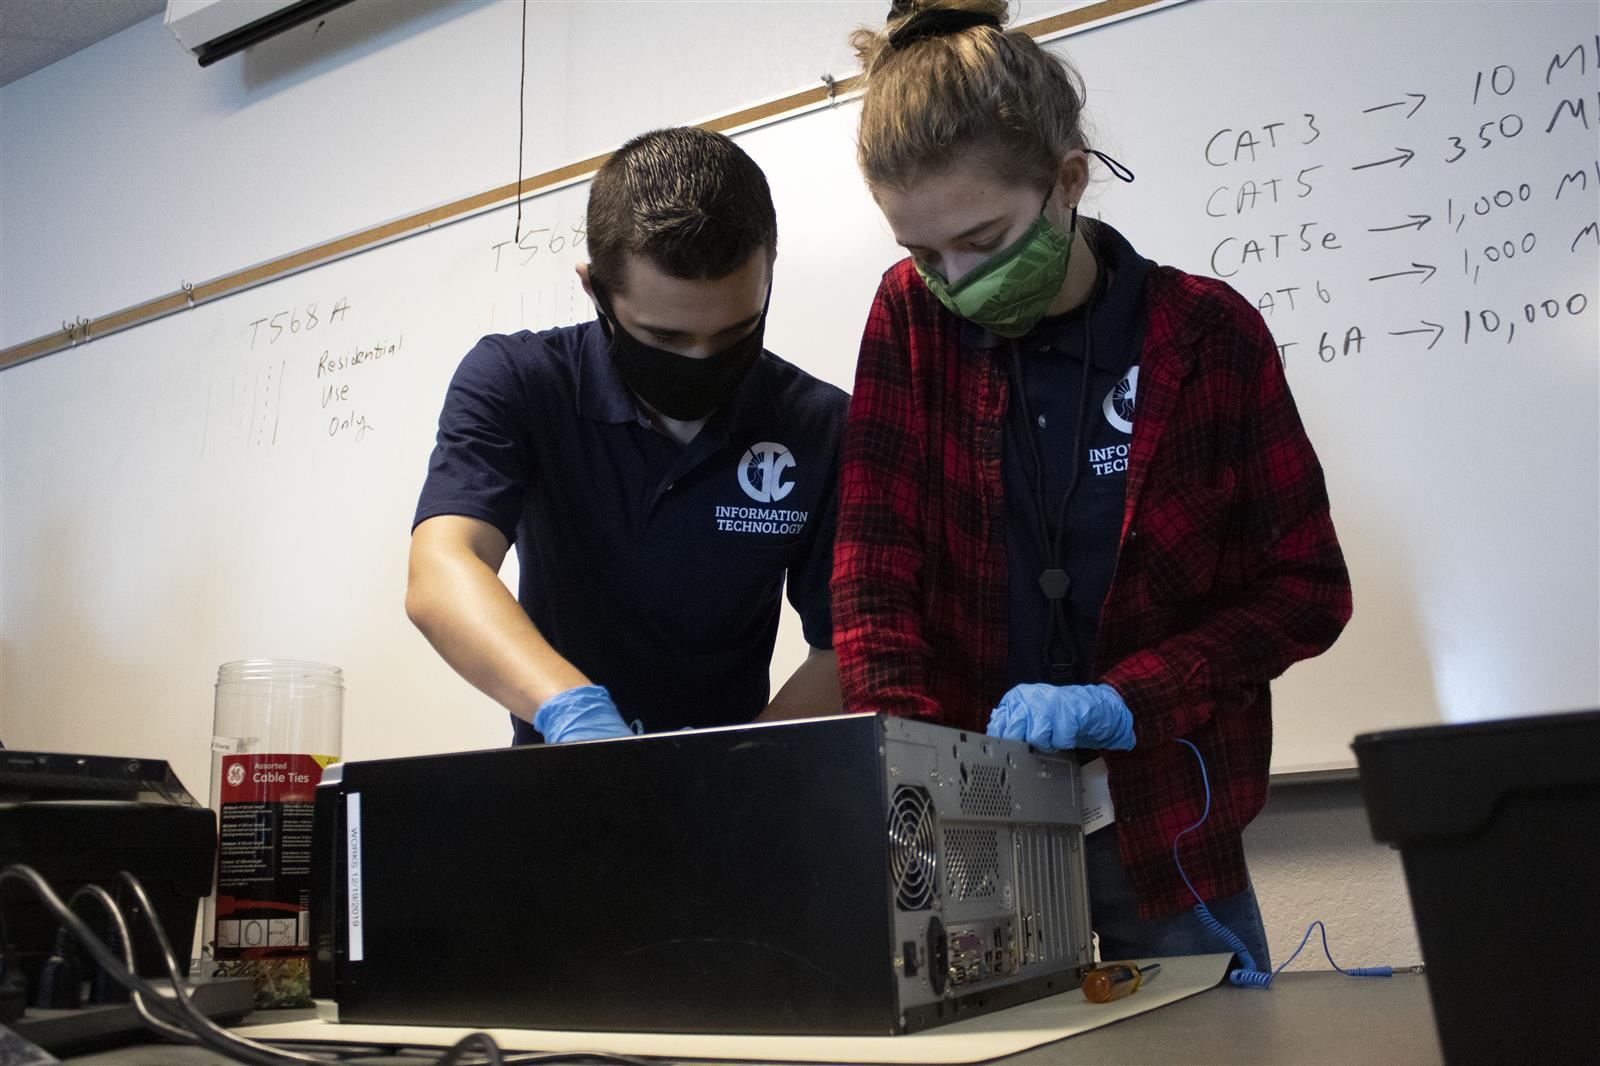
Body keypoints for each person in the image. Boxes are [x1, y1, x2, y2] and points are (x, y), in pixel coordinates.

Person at [833, 1, 1352, 968]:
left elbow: (1305, 593)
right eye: (922, 252)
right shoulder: (909, 322)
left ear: (1068, 180)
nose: (953, 279)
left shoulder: (1205, 338)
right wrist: (912, 790)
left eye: (983, 241)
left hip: (1166, 835)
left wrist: (1128, 701)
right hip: (971, 846)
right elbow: (873, 583)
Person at [408, 127, 845, 746]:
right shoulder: (519, 383)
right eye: (666, 338)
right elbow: (443, 568)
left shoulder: (821, 427)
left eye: (735, 333)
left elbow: (846, 648)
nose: (702, 358)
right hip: (559, 785)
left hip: (731, 804)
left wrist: (741, 770)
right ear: (595, 291)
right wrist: (569, 708)